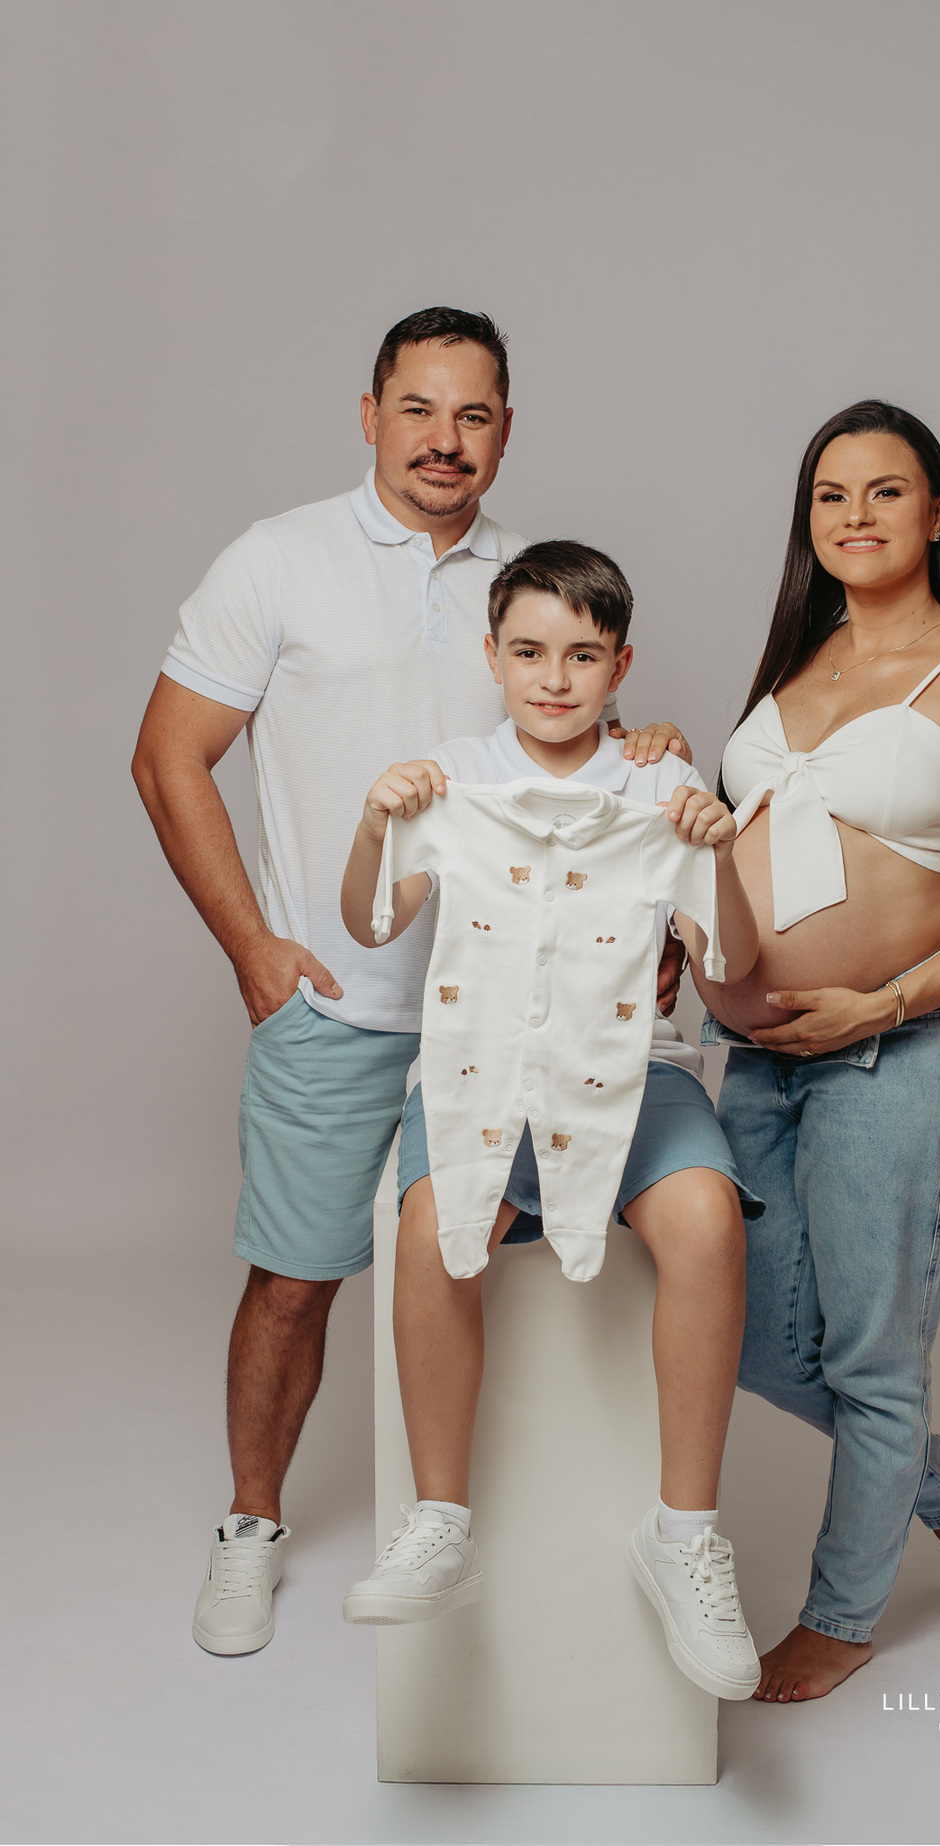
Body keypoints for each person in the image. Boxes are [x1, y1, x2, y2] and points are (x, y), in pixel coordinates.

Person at [131, 309, 689, 1657]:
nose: (446, 439)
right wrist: (256, 949)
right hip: (340, 1002)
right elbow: (167, 756)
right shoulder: (280, 558)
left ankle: (514, 1541)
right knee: (294, 1279)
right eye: (420, 409)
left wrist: (648, 750)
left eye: (474, 414)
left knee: (526, 1277)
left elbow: (577, 748)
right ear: (370, 413)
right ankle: (251, 1523)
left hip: (516, 1020)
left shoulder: (529, 582)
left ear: (506, 430)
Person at [337, 540, 765, 1700]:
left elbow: (733, 960)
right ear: (492, 656)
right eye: (529, 652)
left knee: (707, 1219)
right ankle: (439, 1520)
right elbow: (371, 924)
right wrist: (377, 824)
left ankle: (685, 1535)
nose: (554, 677)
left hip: (633, 1067)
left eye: (582, 656)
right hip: (478, 1069)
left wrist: (718, 854)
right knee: (431, 1229)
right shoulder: (451, 779)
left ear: (619, 665)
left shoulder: (658, 787)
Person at [690, 400, 940, 1703]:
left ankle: (845, 1613)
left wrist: (882, 1004)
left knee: (868, 1353)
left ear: (938, 511)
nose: (856, 516)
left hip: (899, 1052)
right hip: (759, 1054)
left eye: (886, 491)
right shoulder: (791, 672)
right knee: (743, 1330)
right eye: (831, 495)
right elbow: (743, 859)